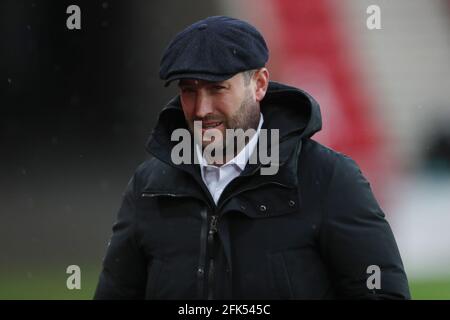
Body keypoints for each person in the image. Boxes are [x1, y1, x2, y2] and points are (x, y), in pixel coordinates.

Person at [94, 16, 410, 300]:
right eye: (189, 90)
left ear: (258, 85)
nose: (201, 109)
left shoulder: (329, 178)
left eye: (217, 89)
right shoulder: (148, 186)